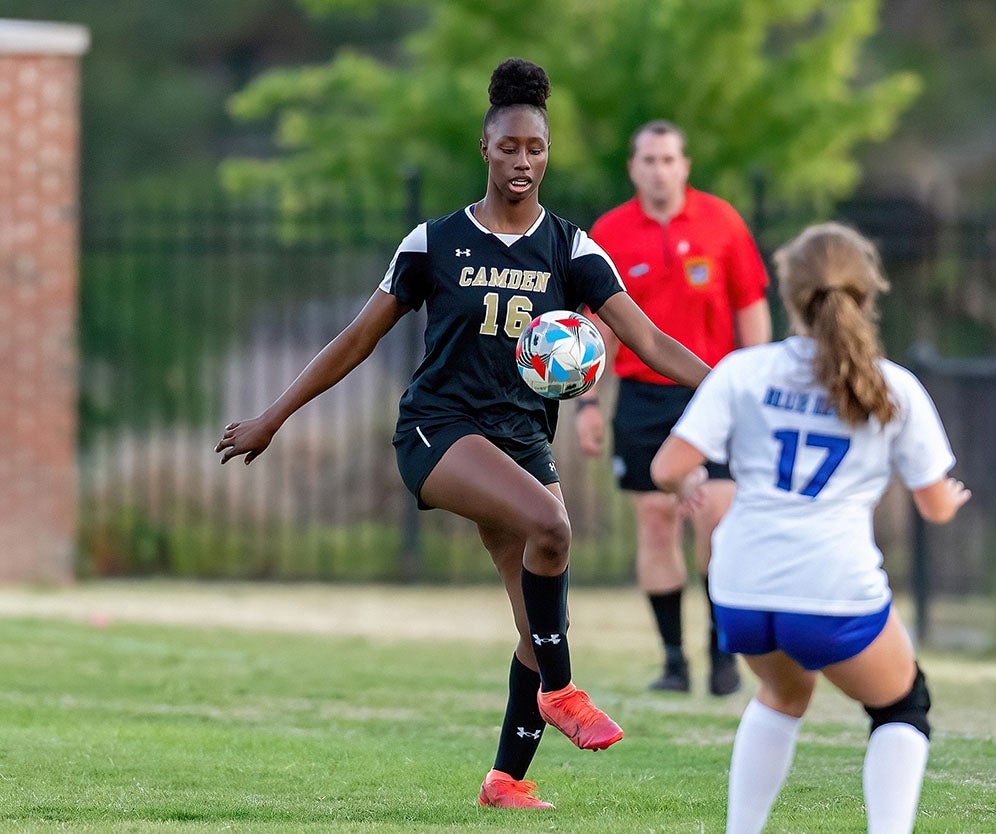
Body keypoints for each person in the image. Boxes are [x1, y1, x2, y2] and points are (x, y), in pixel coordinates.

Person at [214, 58, 712, 812]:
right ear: (485, 148)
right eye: (509, 147)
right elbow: (355, 340)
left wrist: (730, 386)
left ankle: (505, 779)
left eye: (535, 150)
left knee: (537, 616)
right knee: (552, 523)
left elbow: (646, 339)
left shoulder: (570, 249)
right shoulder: (434, 242)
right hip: (438, 432)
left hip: (519, 439)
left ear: (548, 155)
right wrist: (274, 417)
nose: (522, 162)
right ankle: (564, 692)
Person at [649, 222, 971, 834]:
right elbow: (933, 506)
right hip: (830, 585)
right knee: (903, 707)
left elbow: (668, 467)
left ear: (789, 293)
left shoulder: (743, 371)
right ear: (868, 293)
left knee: (782, 697)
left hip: (740, 586)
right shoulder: (892, 385)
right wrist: (950, 502)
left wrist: (688, 487)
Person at [576, 120, 771, 696]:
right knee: (656, 522)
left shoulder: (722, 223)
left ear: (685, 165)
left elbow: (750, 305)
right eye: (648, 160)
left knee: (717, 518)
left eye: (669, 159)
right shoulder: (609, 232)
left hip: (716, 390)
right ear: (633, 168)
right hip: (642, 397)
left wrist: (754, 382)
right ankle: (673, 661)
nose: (659, 169)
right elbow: (600, 327)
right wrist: (589, 402)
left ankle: (722, 657)